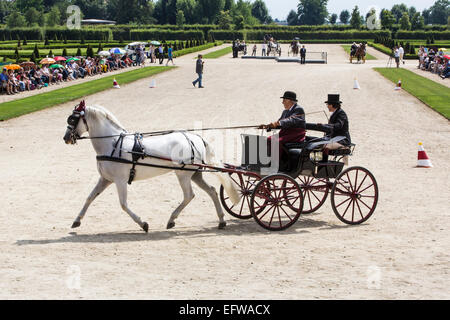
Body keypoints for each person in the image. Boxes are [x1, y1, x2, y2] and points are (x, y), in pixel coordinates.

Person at [259, 91, 306, 170]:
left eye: (284, 100)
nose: (282, 102)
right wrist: (268, 126)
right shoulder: (285, 111)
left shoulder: (299, 109)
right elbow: (279, 123)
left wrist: (279, 123)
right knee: (269, 139)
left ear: (290, 101)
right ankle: (268, 161)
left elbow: (291, 120)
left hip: (296, 134)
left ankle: (276, 164)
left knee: (276, 141)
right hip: (285, 133)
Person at [318, 94, 351, 164]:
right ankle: (319, 162)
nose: (327, 106)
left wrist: (325, 126)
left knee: (325, 146)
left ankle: (324, 164)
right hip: (334, 139)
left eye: (328, 105)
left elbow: (338, 125)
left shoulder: (341, 113)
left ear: (332, 105)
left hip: (342, 140)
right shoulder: (334, 113)